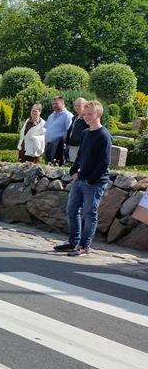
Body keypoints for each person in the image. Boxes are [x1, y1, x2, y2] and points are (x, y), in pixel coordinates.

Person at [54, 101, 112, 258]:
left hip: (94, 182)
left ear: (98, 114)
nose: (86, 117)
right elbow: (81, 155)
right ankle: (73, 242)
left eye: (90, 114)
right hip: (80, 179)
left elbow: (104, 162)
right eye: (84, 114)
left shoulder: (104, 135)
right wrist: (73, 170)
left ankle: (85, 247)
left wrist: (92, 180)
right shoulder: (86, 133)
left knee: (89, 213)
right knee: (72, 210)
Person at [44, 96, 71, 165]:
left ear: (62, 103)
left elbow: (69, 131)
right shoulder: (51, 115)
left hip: (59, 146)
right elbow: (47, 129)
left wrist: (62, 143)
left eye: (56, 104)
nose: (54, 106)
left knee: (57, 166)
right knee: (48, 167)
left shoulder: (67, 115)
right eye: (53, 104)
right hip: (49, 145)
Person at [66, 97, 89, 164]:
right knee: (72, 164)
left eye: (79, 105)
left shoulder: (86, 119)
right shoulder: (75, 117)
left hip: (80, 146)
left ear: (84, 106)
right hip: (72, 145)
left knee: (78, 165)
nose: (77, 107)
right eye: (75, 105)